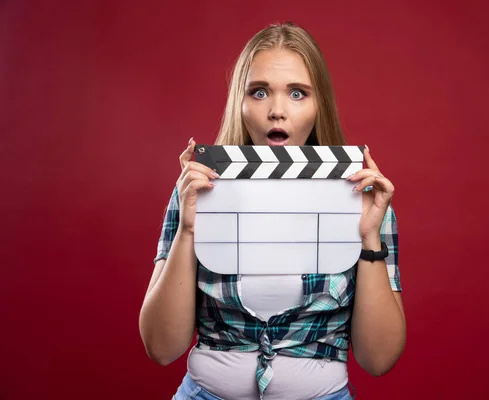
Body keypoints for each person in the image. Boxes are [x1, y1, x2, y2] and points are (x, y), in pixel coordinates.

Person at [139, 22, 406, 400]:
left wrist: (368, 240)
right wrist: (187, 231)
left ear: (319, 105)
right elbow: (161, 347)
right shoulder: (196, 191)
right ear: (240, 102)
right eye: (259, 92)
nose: (277, 111)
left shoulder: (363, 197)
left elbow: (379, 359)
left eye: (298, 93)